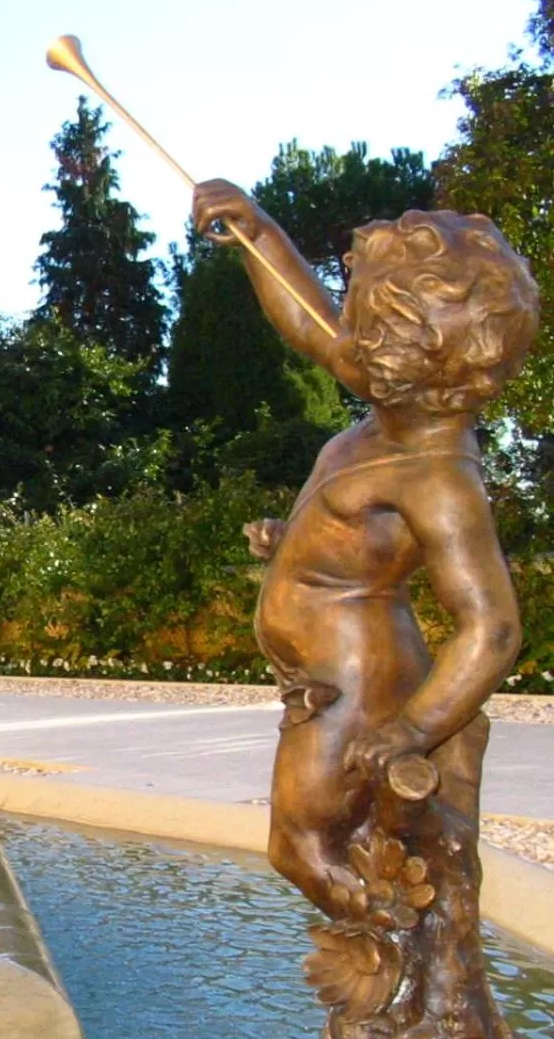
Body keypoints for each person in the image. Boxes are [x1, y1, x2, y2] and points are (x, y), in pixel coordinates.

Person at [192, 183, 538, 928]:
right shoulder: (397, 404)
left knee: (300, 847)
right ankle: (403, 971)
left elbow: (494, 628)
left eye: (365, 321)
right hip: (326, 674)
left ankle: (401, 953)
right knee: (314, 843)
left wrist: (413, 730)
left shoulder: (438, 473)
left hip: (352, 687)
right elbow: (308, 321)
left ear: (412, 344)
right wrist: (258, 232)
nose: (347, 341)